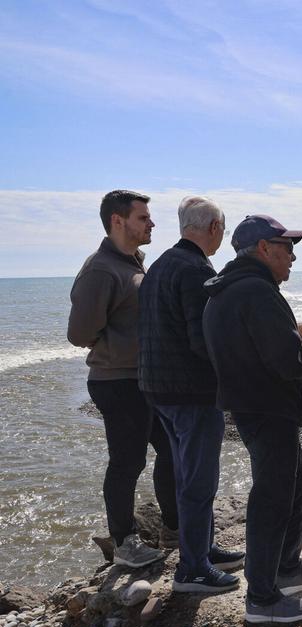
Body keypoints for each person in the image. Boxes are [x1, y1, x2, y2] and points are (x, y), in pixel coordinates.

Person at [203, 214, 302, 623]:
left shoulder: (228, 288)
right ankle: (262, 597)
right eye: (287, 247)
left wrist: (298, 334)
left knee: (296, 486)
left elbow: (256, 345)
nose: (293, 256)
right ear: (263, 248)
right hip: (267, 408)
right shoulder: (256, 291)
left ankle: (286, 571)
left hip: (253, 406)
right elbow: (289, 362)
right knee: (272, 499)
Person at [138, 196, 245, 594]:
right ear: (214, 227)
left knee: (187, 474)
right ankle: (193, 569)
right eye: (223, 229)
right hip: (191, 391)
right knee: (198, 480)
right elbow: (203, 340)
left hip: (157, 387)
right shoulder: (195, 269)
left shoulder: (160, 265)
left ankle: (201, 549)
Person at [68, 190, 178, 568]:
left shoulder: (133, 263)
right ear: (118, 221)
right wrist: (118, 345)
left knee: (172, 449)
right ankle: (124, 544)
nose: (152, 223)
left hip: (143, 378)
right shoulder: (101, 269)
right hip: (116, 381)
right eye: (143, 218)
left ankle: (174, 530)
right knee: (127, 463)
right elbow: (79, 333)